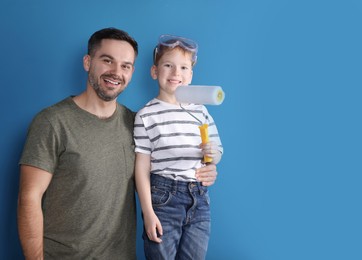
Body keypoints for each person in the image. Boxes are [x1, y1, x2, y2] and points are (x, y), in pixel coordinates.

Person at [17, 28, 218, 259]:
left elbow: (167, 170)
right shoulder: (53, 122)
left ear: (132, 72)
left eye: (126, 65)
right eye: (107, 60)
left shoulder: (136, 123)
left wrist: (206, 169)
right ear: (87, 62)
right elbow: (29, 198)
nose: (116, 72)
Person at [134, 34, 223, 259]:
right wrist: (148, 213)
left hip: (199, 198)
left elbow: (217, 151)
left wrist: (214, 155)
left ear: (191, 75)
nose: (176, 74)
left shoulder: (201, 111)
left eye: (184, 67)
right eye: (168, 65)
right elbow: (142, 169)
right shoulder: (146, 115)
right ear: (155, 71)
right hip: (163, 200)